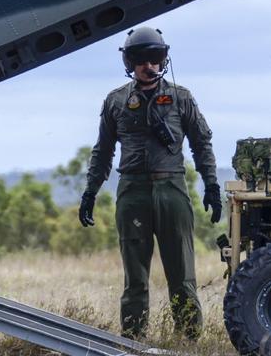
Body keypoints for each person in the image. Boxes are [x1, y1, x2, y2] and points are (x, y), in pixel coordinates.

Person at [78, 26, 220, 339]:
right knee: (135, 276)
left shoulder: (181, 98)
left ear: (164, 59)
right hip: (133, 192)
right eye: (141, 58)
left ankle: (189, 339)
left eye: (155, 57)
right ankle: (133, 339)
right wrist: (90, 191)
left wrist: (212, 185)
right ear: (130, 62)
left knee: (182, 273)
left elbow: (202, 142)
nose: (149, 65)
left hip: (171, 189)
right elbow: (103, 151)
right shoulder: (116, 101)